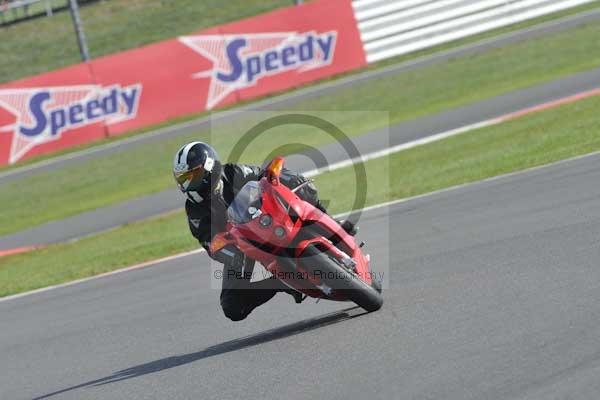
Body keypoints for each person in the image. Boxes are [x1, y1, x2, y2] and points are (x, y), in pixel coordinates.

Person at [173, 141, 356, 321]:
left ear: (209, 167)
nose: (187, 183)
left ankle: (334, 224)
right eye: (183, 179)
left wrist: (288, 179)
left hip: (267, 217)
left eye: (192, 175)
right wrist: (228, 252)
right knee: (232, 306)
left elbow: (263, 176)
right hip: (242, 244)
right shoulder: (194, 210)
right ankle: (282, 282)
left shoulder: (232, 172)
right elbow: (209, 241)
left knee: (304, 189)